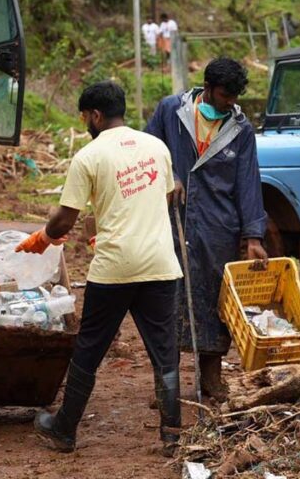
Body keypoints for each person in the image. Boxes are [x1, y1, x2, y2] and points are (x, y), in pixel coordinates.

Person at [20, 81, 183, 454]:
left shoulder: (89, 157)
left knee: (90, 348)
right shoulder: (156, 147)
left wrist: (44, 234)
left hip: (114, 269)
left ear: (95, 115)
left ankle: (64, 430)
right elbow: (163, 194)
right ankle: (172, 435)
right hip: (161, 264)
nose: (85, 125)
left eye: (84, 118)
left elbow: (64, 222)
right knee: (164, 350)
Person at [146, 57, 267, 401]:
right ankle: (165, 384)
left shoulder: (241, 130)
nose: (230, 102)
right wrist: (171, 176)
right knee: (165, 300)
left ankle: (211, 378)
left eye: (234, 97)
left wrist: (253, 236)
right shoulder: (171, 111)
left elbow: (248, 184)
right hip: (171, 222)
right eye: (225, 95)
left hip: (218, 228)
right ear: (209, 88)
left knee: (217, 302)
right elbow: (146, 152)